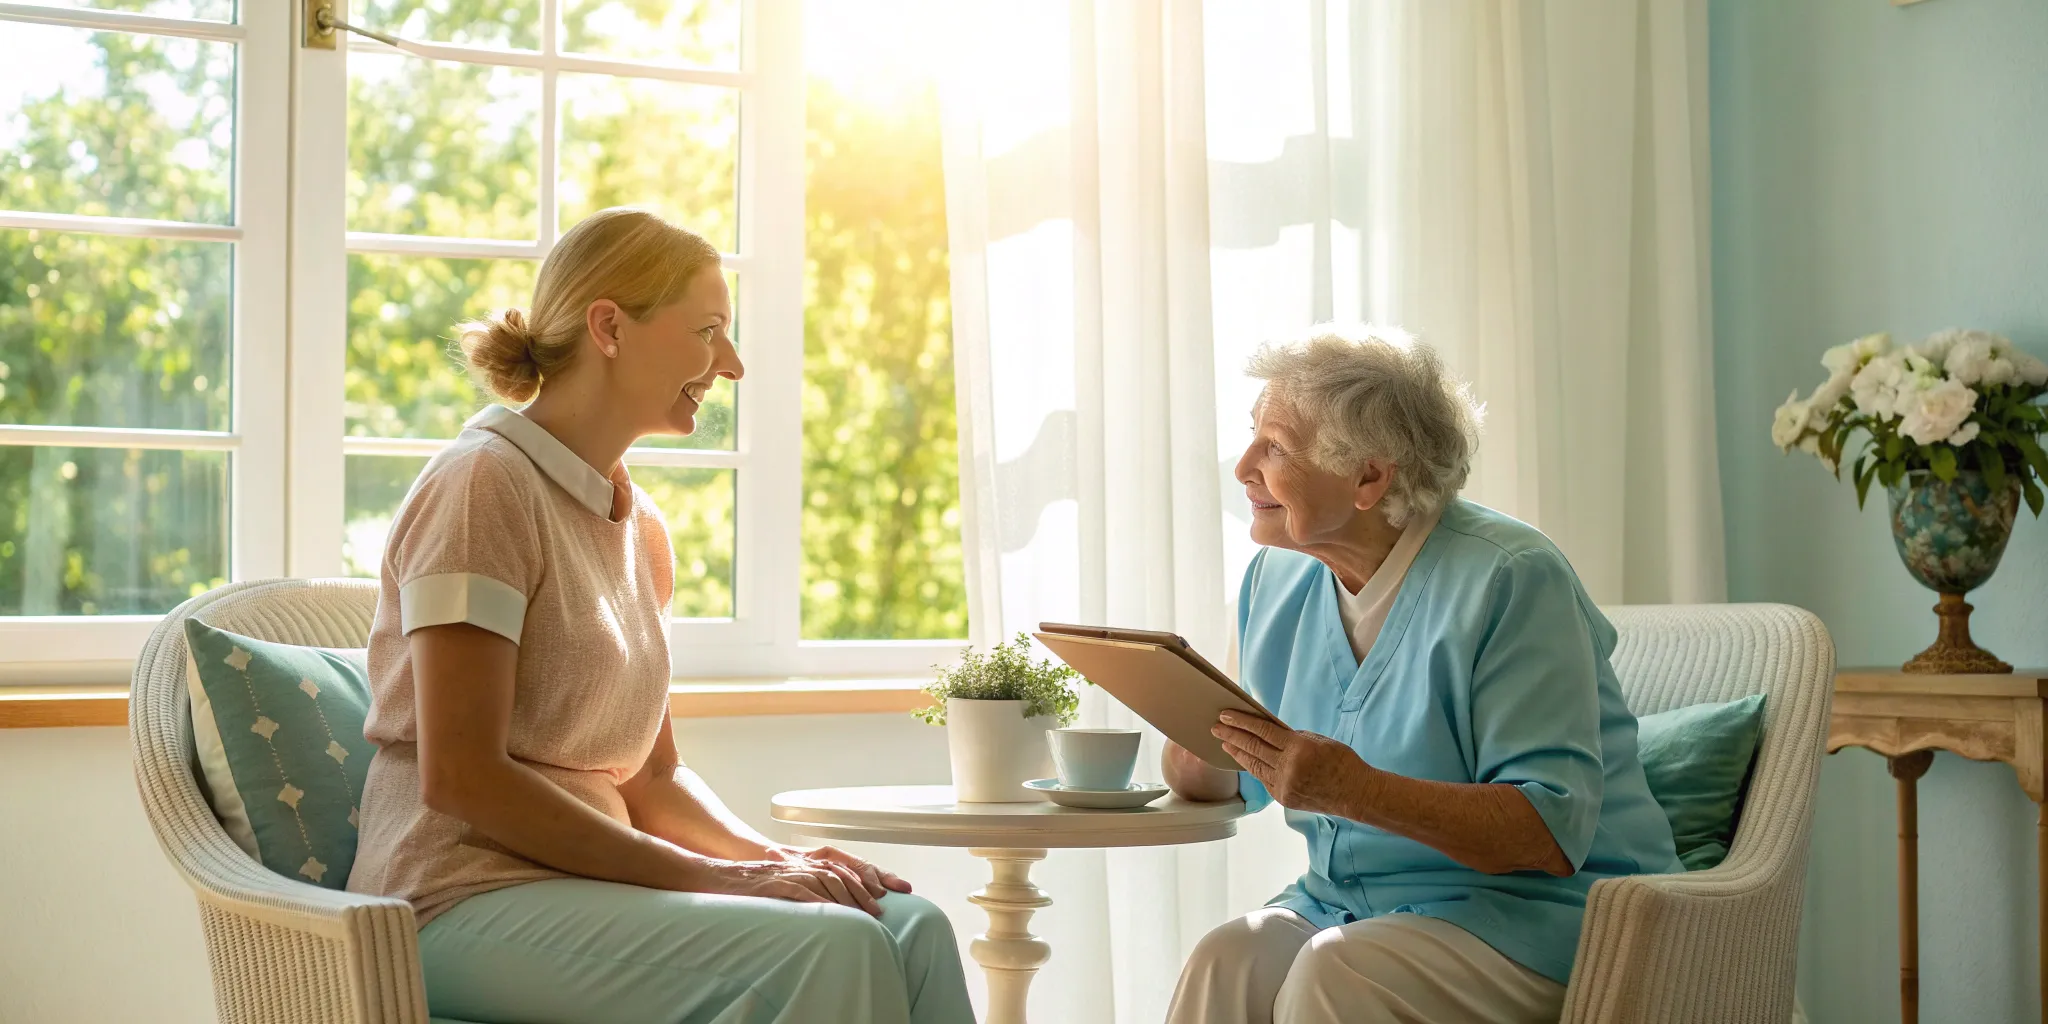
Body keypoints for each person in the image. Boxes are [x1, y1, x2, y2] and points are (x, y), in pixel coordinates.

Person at [345, 207, 974, 1024]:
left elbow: (651, 778)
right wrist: (721, 877)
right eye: (708, 330)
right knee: (836, 945)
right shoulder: (481, 486)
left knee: (909, 926)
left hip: (589, 892)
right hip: (453, 900)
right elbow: (463, 776)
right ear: (609, 326)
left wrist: (778, 860)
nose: (732, 364)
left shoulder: (639, 527)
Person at [1161, 325, 1681, 1024]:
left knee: (1339, 970)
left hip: (1543, 920)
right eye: (1252, 435)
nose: (1244, 466)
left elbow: (1547, 831)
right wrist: (1194, 750)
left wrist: (1357, 790)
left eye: (1275, 446)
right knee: (1227, 956)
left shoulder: (1511, 576)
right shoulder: (1274, 578)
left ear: (1369, 477)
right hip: (1346, 906)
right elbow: (1248, 778)